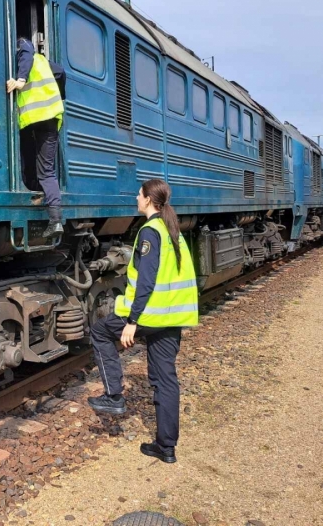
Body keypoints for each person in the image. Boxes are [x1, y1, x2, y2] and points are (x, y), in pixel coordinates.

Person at [87, 179, 198, 464]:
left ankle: (113, 397)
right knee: (166, 379)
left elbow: (146, 281)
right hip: (172, 316)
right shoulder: (172, 229)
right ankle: (166, 447)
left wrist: (132, 322)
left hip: (149, 314)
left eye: (139, 194)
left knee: (99, 333)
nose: (136, 198)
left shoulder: (149, 232)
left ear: (149, 199)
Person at [7, 38, 66, 238]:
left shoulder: (23, 54)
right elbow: (61, 72)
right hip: (51, 119)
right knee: (47, 172)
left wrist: (20, 80)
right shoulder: (45, 62)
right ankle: (56, 221)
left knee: (25, 150)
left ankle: (29, 184)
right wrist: (61, 96)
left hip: (33, 119)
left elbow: (25, 51)